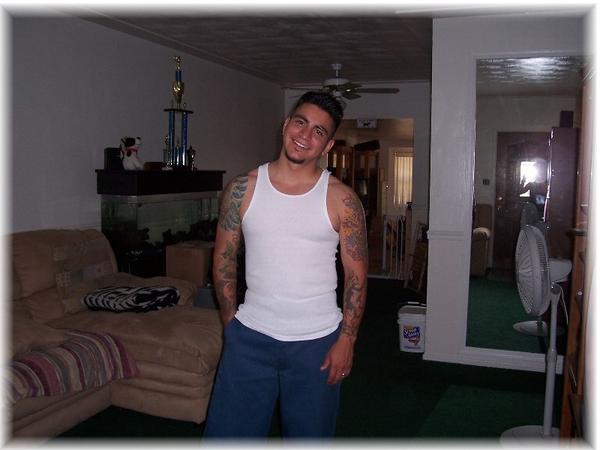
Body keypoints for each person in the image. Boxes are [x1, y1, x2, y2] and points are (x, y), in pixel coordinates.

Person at [203, 91, 368, 439]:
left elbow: (356, 276)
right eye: (300, 122)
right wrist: (231, 323)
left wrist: (348, 339)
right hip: (250, 337)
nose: (305, 135)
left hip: (318, 343)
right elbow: (223, 258)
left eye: (318, 131)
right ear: (285, 125)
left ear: (328, 145)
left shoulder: (343, 200)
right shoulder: (241, 189)